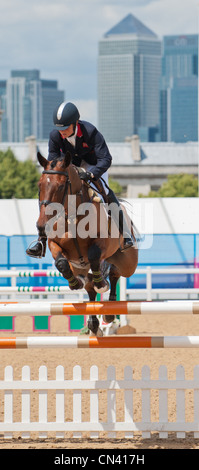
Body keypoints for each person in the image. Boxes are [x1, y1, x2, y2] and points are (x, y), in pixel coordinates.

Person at [26, 101, 133, 258]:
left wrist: (91, 174)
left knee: (105, 192)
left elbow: (106, 159)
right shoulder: (55, 136)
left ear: (75, 123)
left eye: (65, 128)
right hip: (70, 168)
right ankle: (41, 240)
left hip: (94, 166)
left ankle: (125, 234)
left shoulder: (91, 132)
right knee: (49, 194)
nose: (61, 132)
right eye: (59, 128)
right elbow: (54, 161)